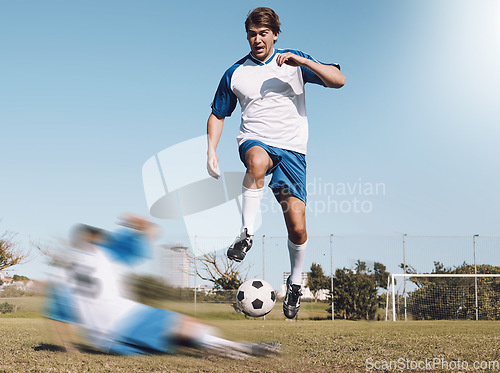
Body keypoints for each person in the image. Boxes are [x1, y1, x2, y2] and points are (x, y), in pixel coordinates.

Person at [206, 7, 345, 319]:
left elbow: (339, 80)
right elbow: (217, 114)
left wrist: (305, 62)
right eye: (252, 34)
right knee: (255, 161)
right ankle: (246, 232)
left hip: (293, 152)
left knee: (297, 227)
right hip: (255, 140)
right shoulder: (235, 73)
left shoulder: (293, 61)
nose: (257, 39)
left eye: (263, 34)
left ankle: (295, 282)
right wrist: (211, 150)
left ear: (275, 34)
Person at [44, 214, 278, 358]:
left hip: (106, 342)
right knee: (186, 325)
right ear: (95, 239)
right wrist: (136, 223)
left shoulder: (62, 272)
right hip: (125, 317)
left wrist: (71, 350)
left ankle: (217, 346)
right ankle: (241, 349)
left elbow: (58, 318)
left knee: (174, 338)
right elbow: (151, 230)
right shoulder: (103, 251)